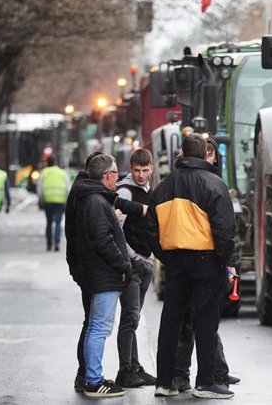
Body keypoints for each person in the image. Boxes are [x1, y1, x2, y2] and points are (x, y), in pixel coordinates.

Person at [147, 133, 237, 399]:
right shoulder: (214, 184)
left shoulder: (164, 187)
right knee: (206, 323)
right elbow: (224, 230)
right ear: (204, 154)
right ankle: (206, 382)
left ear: (183, 153)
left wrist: (166, 256)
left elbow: (151, 228)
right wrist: (225, 261)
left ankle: (165, 381)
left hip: (176, 263)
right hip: (207, 261)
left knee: (171, 322)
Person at [173, 137, 240, 391]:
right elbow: (222, 232)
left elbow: (225, 231)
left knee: (205, 321)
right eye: (207, 152)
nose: (209, 157)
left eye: (212, 153)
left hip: (204, 261)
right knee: (192, 322)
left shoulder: (214, 183)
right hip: (201, 262)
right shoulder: (202, 183)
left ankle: (216, 372)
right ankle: (191, 376)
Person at [73, 152, 131, 398]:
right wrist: (123, 265)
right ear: (107, 175)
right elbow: (103, 240)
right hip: (104, 274)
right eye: (116, 172)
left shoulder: (92, 197)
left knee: (96, 326)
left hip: (99, 272)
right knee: (99, 327)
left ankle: (92, 377)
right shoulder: (96, 202)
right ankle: (94, 380)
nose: (118, 177)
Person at [113, 148, 157, 388]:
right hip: (132, 265)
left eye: (145, 170)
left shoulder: (147, 191)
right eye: (136, 170)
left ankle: (135, 367)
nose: (141, 175)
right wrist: (134, 257)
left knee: (134, 318)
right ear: (131, 168)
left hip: (144, 262)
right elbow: (117, 230)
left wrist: (149, 258)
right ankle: (125, 371)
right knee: (130, 318)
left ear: (151, 169)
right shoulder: (126, 192)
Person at [65, 151, 103, 393]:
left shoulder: (81, 189)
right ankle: (86, 374)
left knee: (91, 321)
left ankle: (86, 374)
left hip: (81, 265)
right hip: (89, 267)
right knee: (93, 323)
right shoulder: (87, 194)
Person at [37, 155, 70, 251]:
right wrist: (67, 200)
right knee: (58, 223)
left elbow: (39, 188)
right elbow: (68, 189)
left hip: (48, 201)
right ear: (55, 163)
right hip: (60, 201)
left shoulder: (44, 173)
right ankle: (56, 242)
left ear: (47, 163)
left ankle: (49, 243)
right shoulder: (62, 173)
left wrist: (41, 199)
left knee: (49, 222)